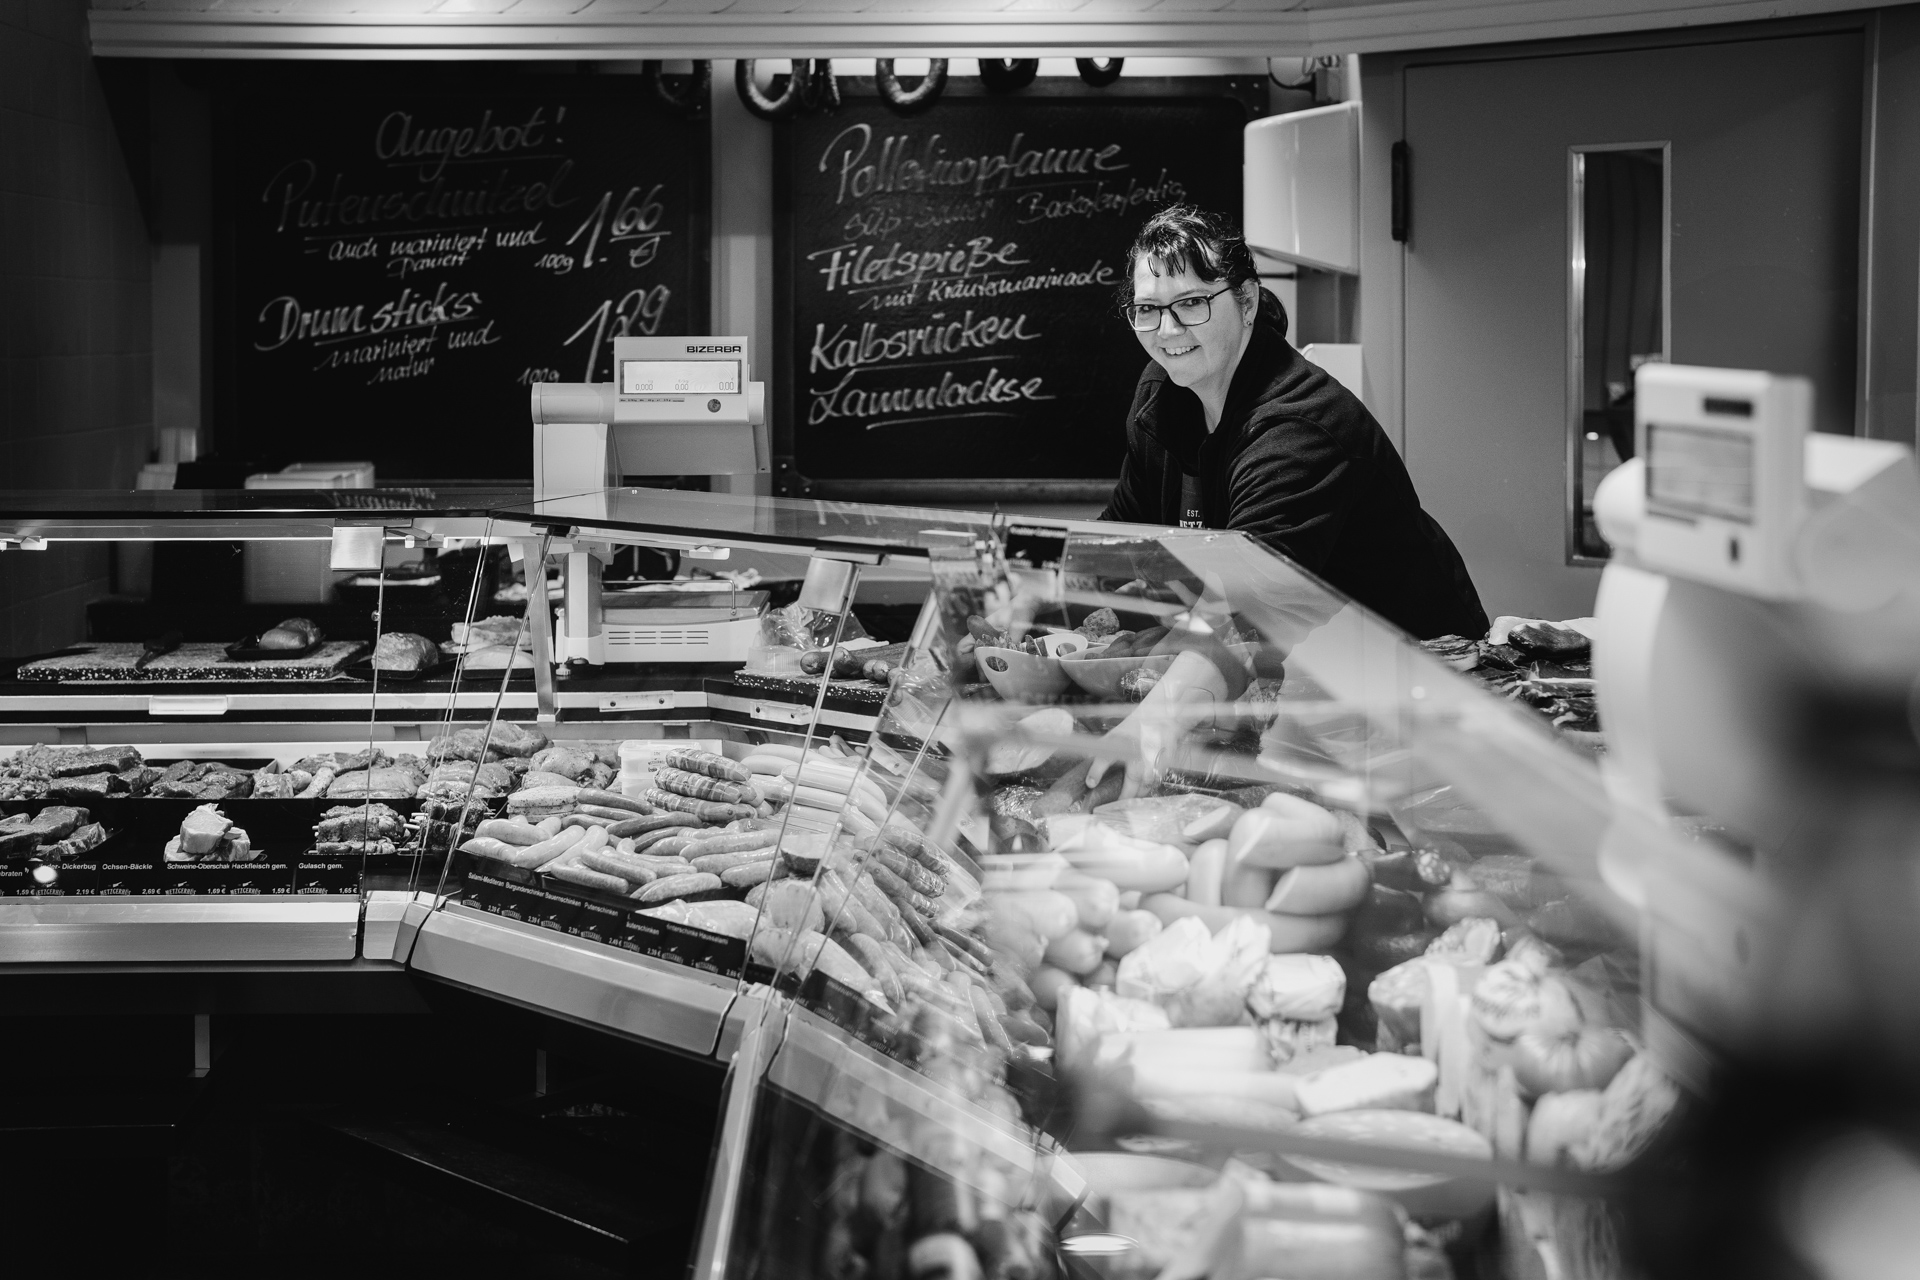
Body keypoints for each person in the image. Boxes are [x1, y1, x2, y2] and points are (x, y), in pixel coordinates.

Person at [1102, 204, 1488, 642]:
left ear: (1247, 301)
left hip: (1418, 661)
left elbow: (1247, 614)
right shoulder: (1162, 391)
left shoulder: (1300, 428)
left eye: (1192, 303)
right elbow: (1121, 534)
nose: (1167, 331)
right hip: (1304, 658)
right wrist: (1049, 587)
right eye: (1148, 308)